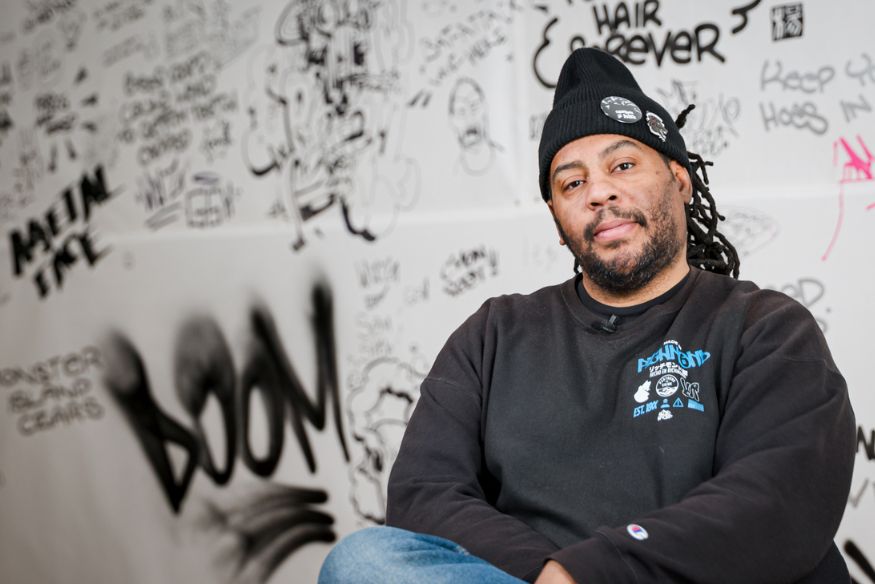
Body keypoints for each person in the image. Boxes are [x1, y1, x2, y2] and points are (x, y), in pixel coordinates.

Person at [318, 48, 856, 583]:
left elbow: (777, 498)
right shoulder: (495, 335)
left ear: (681, 180)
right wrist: (548, 572)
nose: (599, 191)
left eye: (623, 165)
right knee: (364, 561)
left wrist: (590, 571)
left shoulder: (764, 326)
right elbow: (424, 496)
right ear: (557, 221)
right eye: (572, 183)